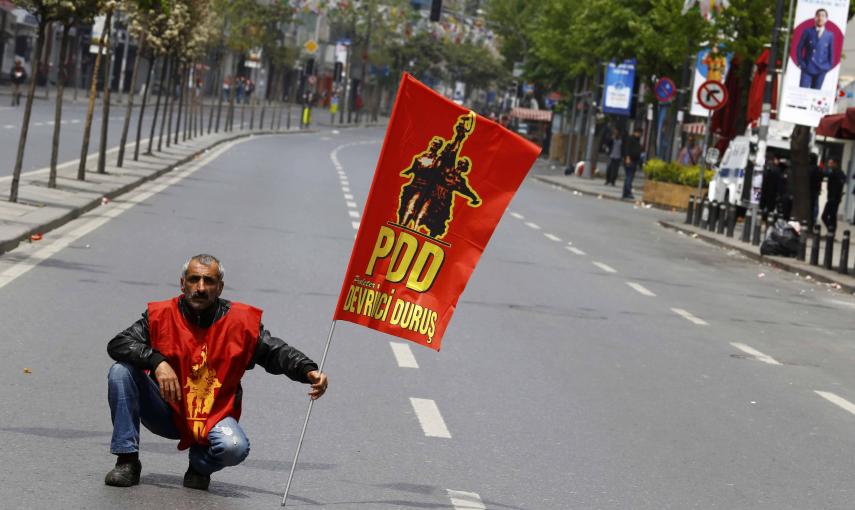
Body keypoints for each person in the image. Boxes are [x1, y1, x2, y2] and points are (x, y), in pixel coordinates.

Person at [104, 254, 328, 490]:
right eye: (194, 280)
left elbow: (275, 351)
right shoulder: (160, 315)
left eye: (209, 281)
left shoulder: (241, 323)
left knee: (235, 448)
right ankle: (127, 461)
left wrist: (308, 370)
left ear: (220, 287)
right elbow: (118, 343)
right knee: (121, 372)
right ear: (183, 284)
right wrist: (157, 361)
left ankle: (200, 466)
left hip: (212, 416)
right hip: (166, 410)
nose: (200, 288)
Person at [796, 8, 835, 90]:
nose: (820, 18)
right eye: (818, 15)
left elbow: (831, 52)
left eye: (823, 16)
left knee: (815, 96)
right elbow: (799, 47)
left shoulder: (829, 35)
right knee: (802, 94)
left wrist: (828, 66)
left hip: (821, 69)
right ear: (815, 18)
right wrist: (801, 62)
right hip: (807, 68)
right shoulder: (808, 31)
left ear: (826, 19)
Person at [821, 158, 846, 231]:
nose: (829, 165)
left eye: (831, 163)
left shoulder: (839, 173)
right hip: (831, 197)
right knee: (832, 216)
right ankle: (831, 231)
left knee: (827, 216)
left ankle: (831, 231)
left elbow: (841, 183)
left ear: (835, 163)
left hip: (834, 198)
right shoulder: (832, 172)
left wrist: (837, 195)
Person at [621, 128, 642, 200]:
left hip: (634, 160)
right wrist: (627, 158)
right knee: (629, 177)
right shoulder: (630, 139)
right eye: (638, 133)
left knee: (629, 177)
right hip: (630, 160)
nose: (639, 135)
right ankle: (627, 192)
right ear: (635, 132)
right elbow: (627, 148)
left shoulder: (637, 140)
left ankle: (626, 192)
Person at [808, 153, 822, 226]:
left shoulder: (809, 169)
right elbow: (820, 181)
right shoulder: (818, 169)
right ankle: (813, 222)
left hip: (809, 192)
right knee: (814, 207)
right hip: (815, 192)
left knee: (810, 208)